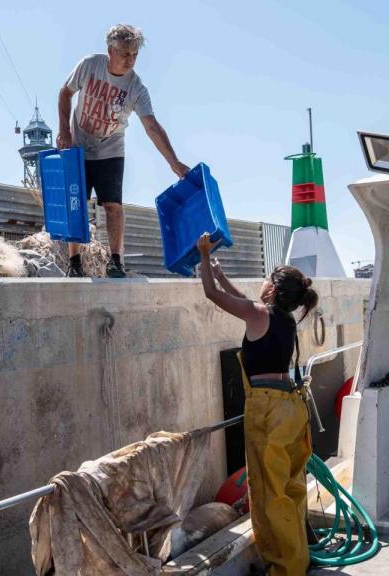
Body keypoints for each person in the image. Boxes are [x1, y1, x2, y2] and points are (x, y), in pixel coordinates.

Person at [196, 233, 319, 576]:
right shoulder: (283, 318)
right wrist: (222, 276)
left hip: (267, 409)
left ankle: (285, 570)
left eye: (267, 279)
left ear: (273, 289)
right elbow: (247, 305)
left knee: (269, 496)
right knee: (291, 489)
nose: (263, 283)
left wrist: (205, 258)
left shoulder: (259, 314)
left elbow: (211, 295)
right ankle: (298, 559)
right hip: (292, 407)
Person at [57, 24, 190, 278]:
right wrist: (65, 131)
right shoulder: (89, 66)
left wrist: (174, 163)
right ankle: (74, 262)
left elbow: (151, 126)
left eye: (135, 55)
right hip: (79, 146)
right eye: (125, 53)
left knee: (113, 205)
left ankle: (115, 260)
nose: (130, 60)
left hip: (111, 148)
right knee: (77, 204)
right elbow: (65, 93)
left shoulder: (137, 88)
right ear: (110, 50)